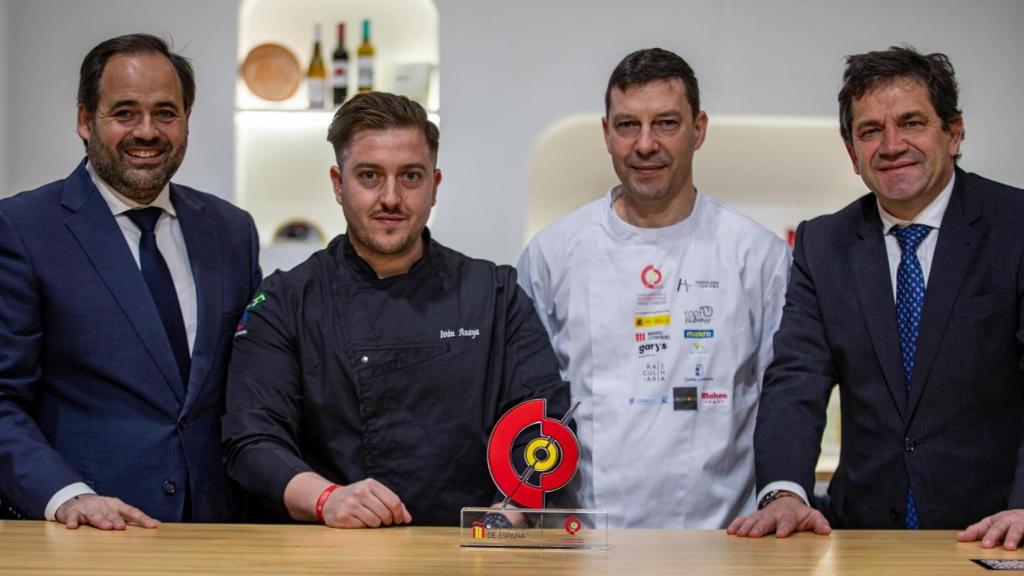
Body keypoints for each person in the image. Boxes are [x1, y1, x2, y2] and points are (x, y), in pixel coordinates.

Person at [222, 91, 570, 528]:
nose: (391, 197)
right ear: (337, 183)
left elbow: (543, 424)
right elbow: (251, 440)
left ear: (434, 186)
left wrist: (511, 514)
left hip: (471, 551)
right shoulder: (285, 301)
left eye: (410, 177)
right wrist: (326, 498)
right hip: (331, 555)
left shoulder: (495, 295)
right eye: (369, 176)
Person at [728, 46, 1024, 550]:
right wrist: (784, 493)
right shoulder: (823, 244)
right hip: (862, 536)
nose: (891, 145)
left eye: (911, 123)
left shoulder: (1014, 226)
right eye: (870, 131)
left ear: (953, 134)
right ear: (852, 154)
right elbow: (796, 378)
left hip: (996, 534)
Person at [516, 48, 791, 528]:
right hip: (585, 545)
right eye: (627, 125)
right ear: (606, 133)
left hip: (722, 543)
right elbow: (524, 405)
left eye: (666, 123)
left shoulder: (759, 256)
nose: (645, 145)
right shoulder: (552, 254)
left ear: (698, 129)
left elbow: (786, 398)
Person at [0, 34, 261, 529]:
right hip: (89, 531)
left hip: (219, 531)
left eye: (166, 112)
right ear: (84, 120)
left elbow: (251, 385)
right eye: (124, 113)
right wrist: (67, 496)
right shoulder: (22, 229)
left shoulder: (232, 231)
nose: (147, 131)